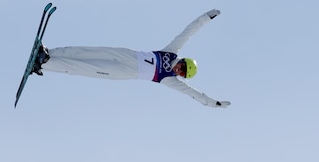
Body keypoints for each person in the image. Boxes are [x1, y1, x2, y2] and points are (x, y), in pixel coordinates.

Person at [33, 9, 230, 108]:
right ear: (183, 61)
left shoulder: (169, 79)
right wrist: (206, 17)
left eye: (183, 74)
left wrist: (213, 103)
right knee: (89, 51)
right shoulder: (172, 51)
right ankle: (50, 52)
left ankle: (46, 63)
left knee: (88, 68)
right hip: (128, 55)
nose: (179, 71)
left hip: (127, 72)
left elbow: (194, 94)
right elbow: (189, 32)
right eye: (182, 67)